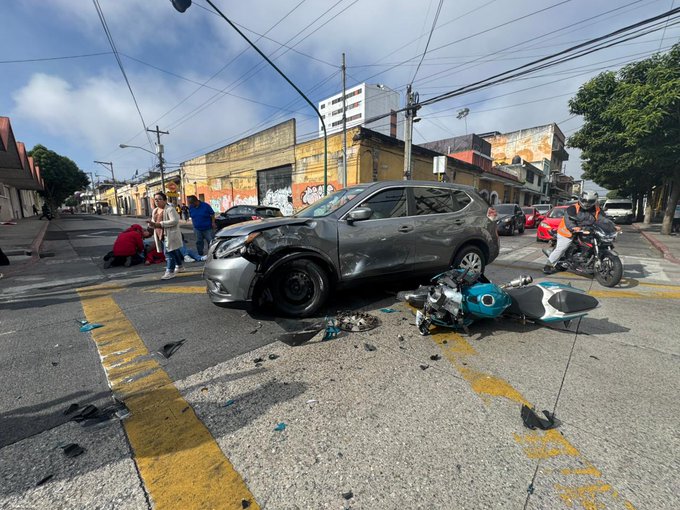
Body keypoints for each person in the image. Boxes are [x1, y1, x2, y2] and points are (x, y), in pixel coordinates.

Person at [543, 192, 615, 274]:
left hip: (586, 230)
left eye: (590, 201)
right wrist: (573, 227)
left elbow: (603, 219)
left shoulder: (597, 209)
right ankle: (548, 266)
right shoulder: (572, 208)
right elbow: (568, 220)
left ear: (594, 201)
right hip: (567, 231)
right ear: (581, 199)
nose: (587, 203)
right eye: (585, 200)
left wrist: (613, 225)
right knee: (562, 248)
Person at [147, 192, 185, 280]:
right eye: (155, 199)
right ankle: (179, 266)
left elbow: (175, 221)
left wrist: (160, 224)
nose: (157, 201)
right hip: (160, 234)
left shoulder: (170, 209)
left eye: (159, 199)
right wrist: (151, 225)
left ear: (165, 200)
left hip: (170, 234)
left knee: (168, 253)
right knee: (174, 251)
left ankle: (170, 271)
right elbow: (154, 221)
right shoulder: (155, 210)